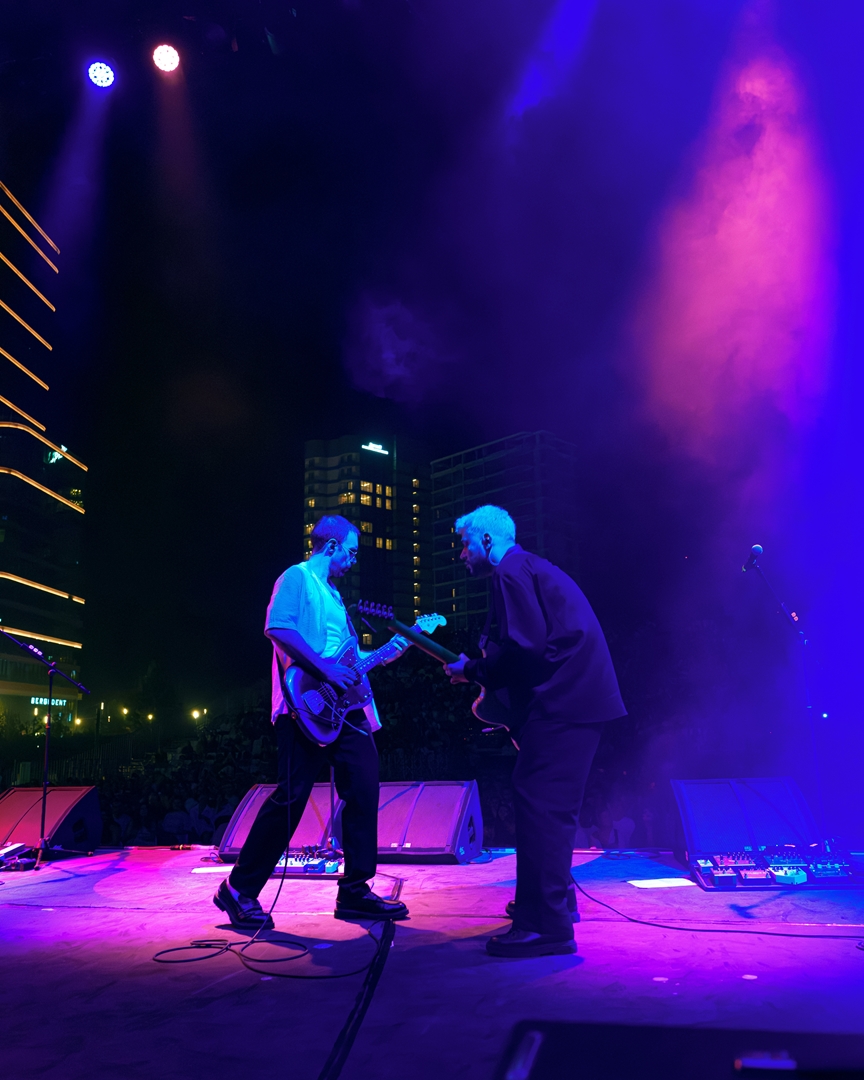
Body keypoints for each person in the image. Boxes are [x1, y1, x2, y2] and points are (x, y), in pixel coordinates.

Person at [444, 505, 625, 958]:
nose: (461, 555)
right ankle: (556, 905)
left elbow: (525, 648)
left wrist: (473, 670)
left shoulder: (510, 570)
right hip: (579, 698)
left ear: (487, 540)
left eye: (465, 544)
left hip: (565, 701)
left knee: (539, 803)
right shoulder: (529, 568)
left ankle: (544, 926)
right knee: (550, 805)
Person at [214, 514, 409, 930]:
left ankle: (355, 890)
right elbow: (278, 628)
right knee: (292, 798)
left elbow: (349, 660)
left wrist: (388, 651)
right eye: (351, 552)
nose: (353, 561)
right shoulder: (297, 578)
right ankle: (238, 889)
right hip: (304, 706)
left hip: (344, 711)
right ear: (332, 546)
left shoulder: (335, 597)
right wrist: (324, 669)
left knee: (364, 786)